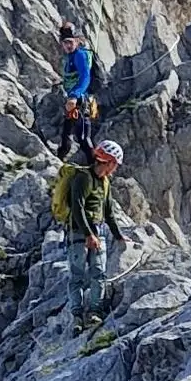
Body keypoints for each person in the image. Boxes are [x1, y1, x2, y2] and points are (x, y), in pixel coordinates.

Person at [59, 140, 127, 331]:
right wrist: (89, 234)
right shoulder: (83, 177)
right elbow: (77, 207)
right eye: (114, 164)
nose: (114, 169)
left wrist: (119, 236)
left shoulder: (105, 183)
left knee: (99, 273)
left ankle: (94, 312)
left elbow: (108, 212)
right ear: (109, 162)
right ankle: (77, 317)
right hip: (79, 234)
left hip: (98, 233)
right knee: (78, 275)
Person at [57, 27, 99, 161]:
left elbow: (85, 77)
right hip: (73, 101)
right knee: (66, 134)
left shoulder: (80, 55)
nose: (68, 45)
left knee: (83, 138)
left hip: (81, 100)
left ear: (77, 41)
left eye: (70, 42)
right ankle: (59, 160)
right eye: (65, 42)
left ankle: (95, 168)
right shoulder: (71, 57)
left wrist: (75, 95)